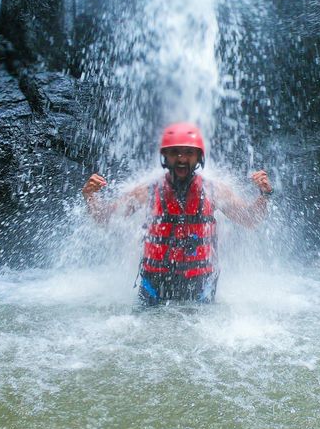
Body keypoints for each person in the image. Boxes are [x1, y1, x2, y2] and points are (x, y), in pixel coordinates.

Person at [81, 121, 273, 305]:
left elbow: (250, 220)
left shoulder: (214, 191)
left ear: (199, 157)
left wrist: (264, 194)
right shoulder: (147, 191)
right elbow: (105, 218)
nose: (181, 158)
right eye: (175, 153)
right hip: (155, 282)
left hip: (200, 282)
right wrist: (90, 196)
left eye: (189, 152)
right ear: (165, 156)